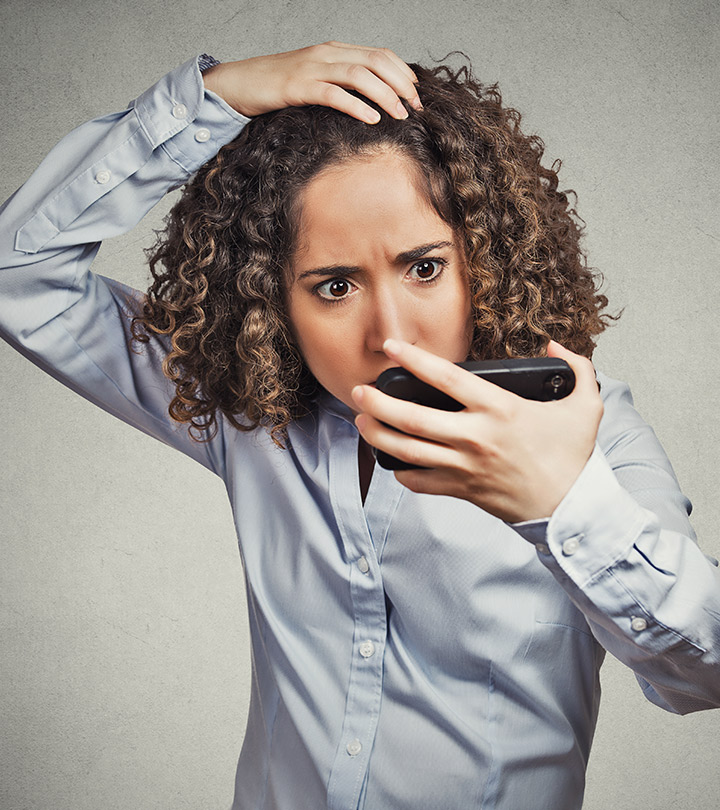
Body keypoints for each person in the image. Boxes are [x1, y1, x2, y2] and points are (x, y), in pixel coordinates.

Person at [0, 42, 718, 810]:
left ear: (484, 256)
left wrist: (563, 503)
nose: (390, 335)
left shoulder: (588, 431)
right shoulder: (252, 416)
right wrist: (213, 97)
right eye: (335, 286)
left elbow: (701, 674)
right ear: (271, 299)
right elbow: (21, 277)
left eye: (425, 267)